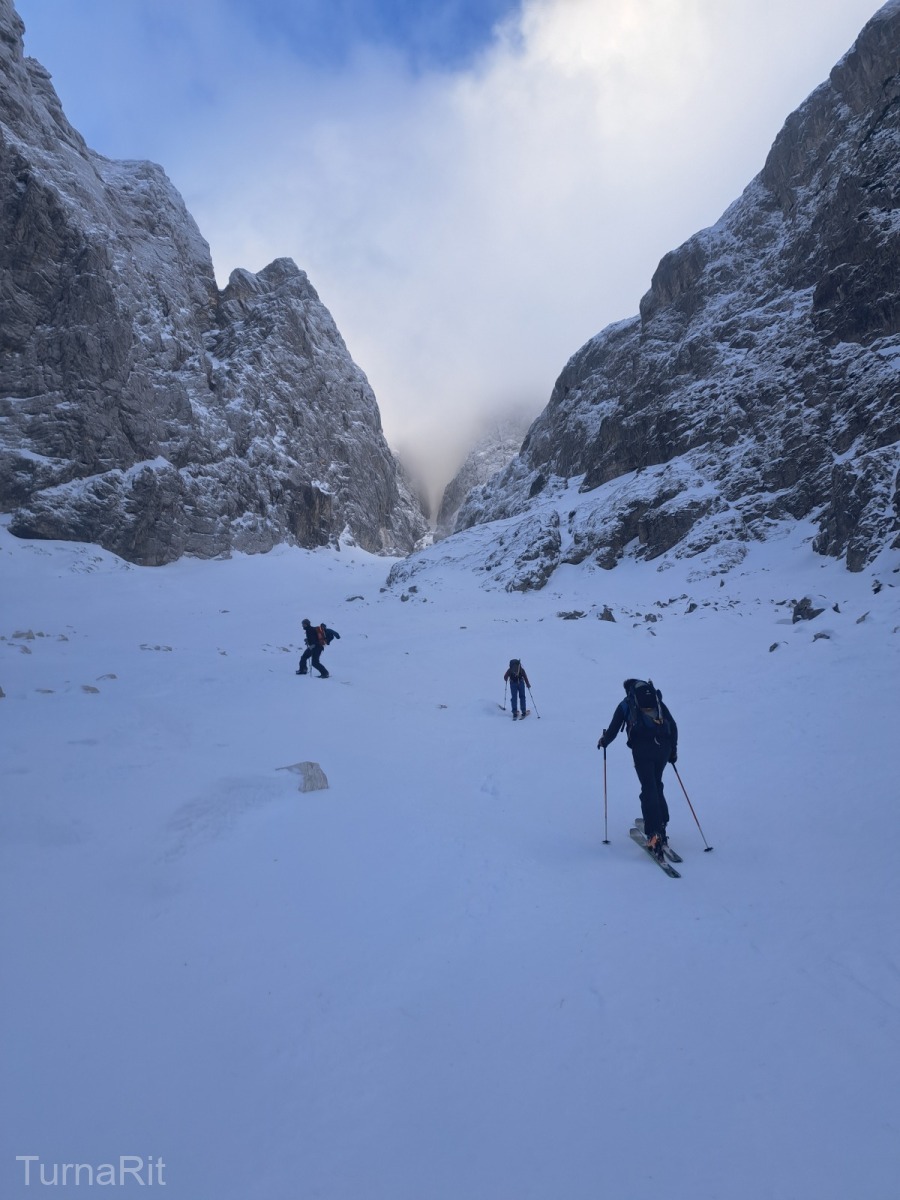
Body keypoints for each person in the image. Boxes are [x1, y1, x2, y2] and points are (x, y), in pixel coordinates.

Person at [598, 679, 677, 859]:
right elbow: (672, 725)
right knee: (656, 784)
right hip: (663, 748)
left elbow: (613, 730)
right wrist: (673, 751)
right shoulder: (656, 700)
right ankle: (662, 825)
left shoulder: (627, 703)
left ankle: (654, 834)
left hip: (642, 750)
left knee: (648, 789)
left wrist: (604, 741)